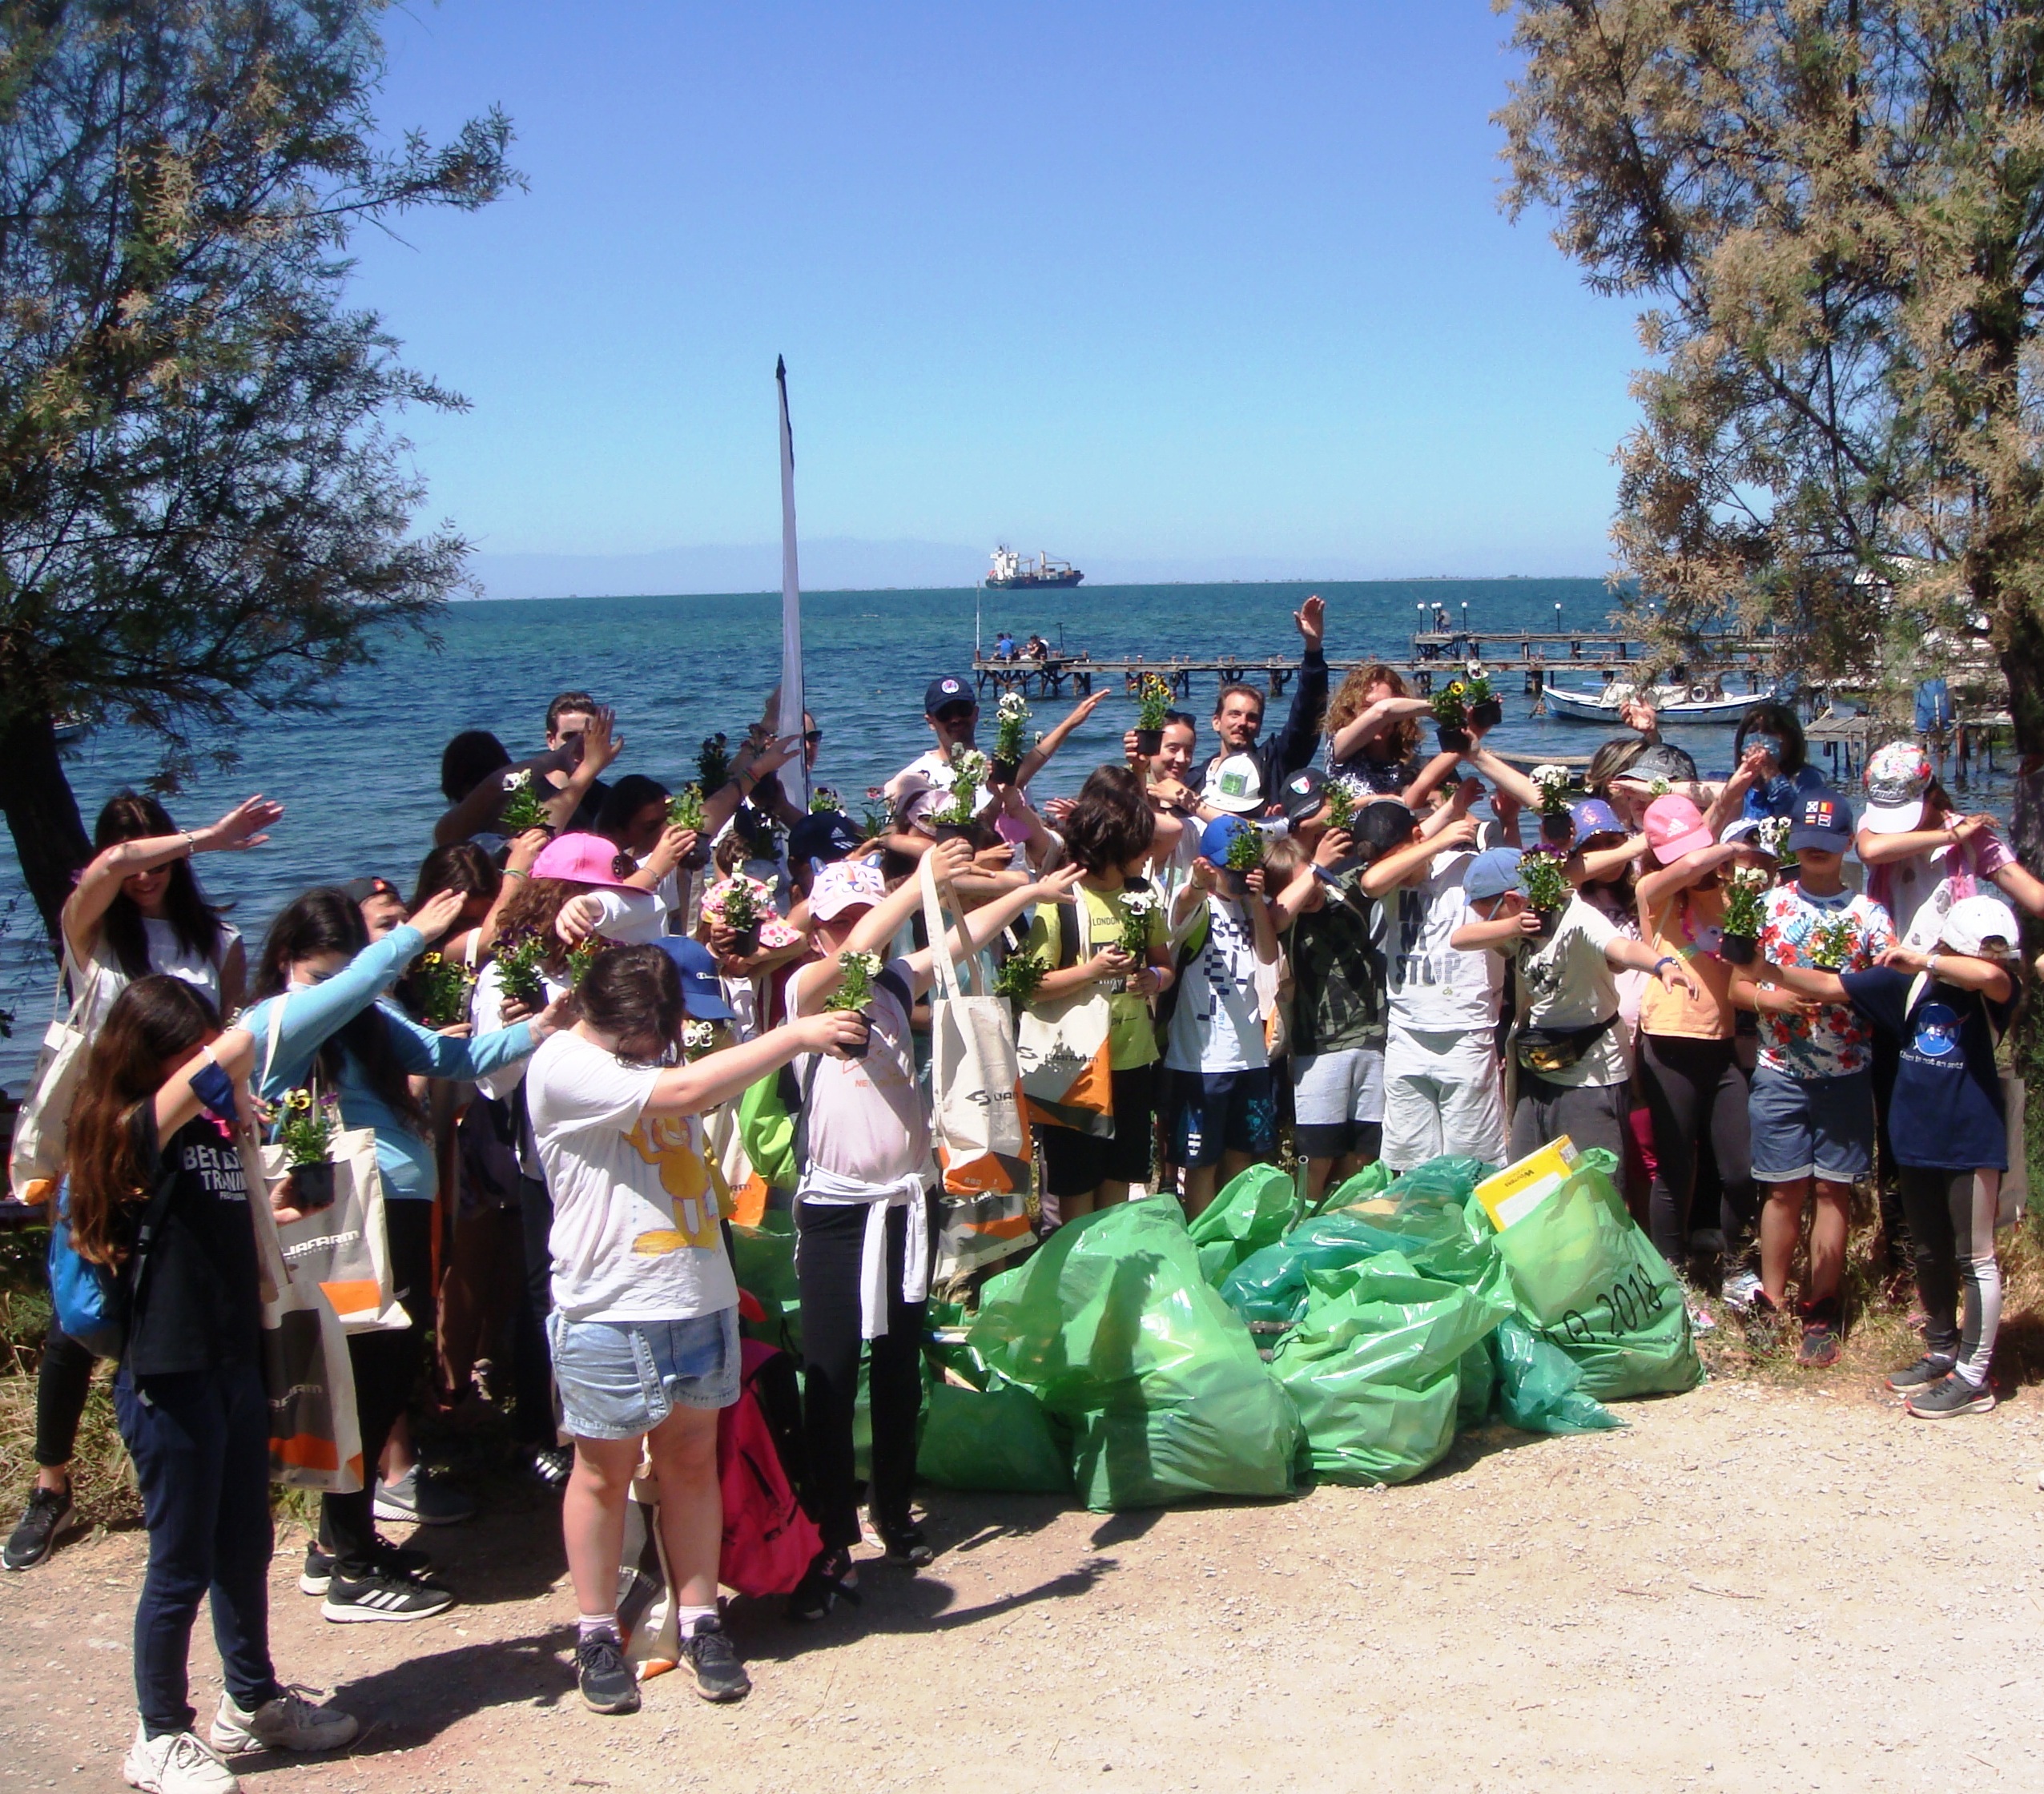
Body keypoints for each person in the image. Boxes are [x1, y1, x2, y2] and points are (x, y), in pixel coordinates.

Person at [525, 945, 868, 1712]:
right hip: (609, 1305)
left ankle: (700, 1616)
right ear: (608, 1020)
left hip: (696, 1293)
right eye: (643, 1039)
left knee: (691, 1463)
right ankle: (593, 1630)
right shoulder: (560, 1064)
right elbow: (682, 1092)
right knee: (602, 1472)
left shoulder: (649, 1066)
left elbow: (698, 1085)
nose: (656, 1050)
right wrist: (795, 1034)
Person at [62, 975, 357, 1792]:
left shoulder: (213, 1128)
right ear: (147, 1055)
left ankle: (253, 1697)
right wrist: (248, 1033)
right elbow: (227, 1055)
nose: (202, 1058)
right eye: (182, 1047)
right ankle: (158, 1733)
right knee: (180, 1558)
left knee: (244, 1543)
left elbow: (227, 1218)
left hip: (232, 1356)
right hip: (168, 1369)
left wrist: (280, 1199)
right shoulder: (126, 1130)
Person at [243, 885, 559, 1620]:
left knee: (385, 1372)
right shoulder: (275, 1022)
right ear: (289, 963)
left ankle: (341, 1544)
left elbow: (455, 1055)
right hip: (344, 1221)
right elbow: (355, 990)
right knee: (360, 1373)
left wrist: (543, 1027)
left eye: (344, 973)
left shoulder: (363, 1016)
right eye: (325, 976)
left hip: (395, 1214)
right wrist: (410, 937)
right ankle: (350, 1565)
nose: (340, 990)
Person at [785, 845, 1084, 1614]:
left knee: (897, 1363)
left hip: (907, 1204)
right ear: (816, 930)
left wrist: (1029, 892)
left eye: (864, 913)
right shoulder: (804, 993)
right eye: (839, 919)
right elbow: (854, 951)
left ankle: (891, 1507)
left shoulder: (891, 984)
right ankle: (827, 1532)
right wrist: (919, 885)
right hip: (838, 1215)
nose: (857, 931)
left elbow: (960, 940)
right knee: (829, 1372)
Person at [6, 790, 280, 1575]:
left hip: (193, 1154)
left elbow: (228, 1040)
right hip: (106, 1142)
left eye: (156, 849)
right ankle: (49, 1484)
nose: (144, 869)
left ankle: (217, 1462)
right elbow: (111, 866)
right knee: (78, 1311)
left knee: (195, 1300)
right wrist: (206, 837)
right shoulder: (92, 934)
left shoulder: (217, 939)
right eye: (133, 853)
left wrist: (243, 1100)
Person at [1752, 896, 2018, 1417]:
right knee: (1928, 1251)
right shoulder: (1910, 986)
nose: (1996, 962)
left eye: (2000, 955)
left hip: (1972, 1140)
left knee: (1974, 1257)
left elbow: (1992, 979)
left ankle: (1973, 1377)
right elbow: (1830, 986)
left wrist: (1926, 959)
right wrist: (1759, 967)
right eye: (1987, 950)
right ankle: (1942, 1349)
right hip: (1916, 1140)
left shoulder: (1995, 991)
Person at [1726, 787, 1894, 1366]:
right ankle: (1771, 1301)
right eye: (1807, 844)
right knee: (1781, 1188)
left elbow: (1886, 988)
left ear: (1848, 845)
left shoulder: (1869, 915)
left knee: (1833, 1189)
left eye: (1827, 845)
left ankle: (1821, 1305)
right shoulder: (1768, 906)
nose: (1816, 853)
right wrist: (1771, 1002)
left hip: (1847, 1071)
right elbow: (1737, 987)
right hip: (1780, 1070)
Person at [1451, 847, 1700, 1163]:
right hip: (1540, 1064)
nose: (1484, 922)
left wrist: (1662, 965)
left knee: (1594, 1181)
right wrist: (1512, 927)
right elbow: (1459, 939)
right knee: (1531, 1174)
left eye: (1487, 912)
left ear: (1513, 899)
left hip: (1591, 1072)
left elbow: (1622, 948)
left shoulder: (1579, 917)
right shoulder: (1520, 924)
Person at [1016, 770, 1177, 1222]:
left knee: (1120, 1177)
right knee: (1076, 1184)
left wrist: (1155, 979)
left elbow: (1165, 964)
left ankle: (1108, 1271)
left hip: (1131, 1060)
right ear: (1116, 848)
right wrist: (1091, 972)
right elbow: (1029, 987)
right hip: (1073, 1067)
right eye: (1141, 845)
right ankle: (1076, 1278)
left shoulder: (1142, 895)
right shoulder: (1061, 899)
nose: (1149, 853)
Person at [1633, 796, 1758, 1311]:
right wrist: (1728, 846)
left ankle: (1737, 1270)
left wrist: (1749, 865)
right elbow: (1684, 867)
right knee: (1676, 1166)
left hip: (1725, 1045)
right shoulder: (1653, 894)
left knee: (1741, 1169)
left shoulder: (1735, 894)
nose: (1695, 864)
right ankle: (1672, 1280)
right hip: (1667, 1042)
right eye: (1681, 853)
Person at [1359, 792, 1506, 1169]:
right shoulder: (1386, 881)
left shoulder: (1468, 867)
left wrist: (1446, 831)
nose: (1393, 867)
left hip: (1466, 1032)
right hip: (1406, 1033)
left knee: (1472, 1162)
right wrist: (1437, 836)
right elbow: (1372, 881)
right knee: (1409, 1160)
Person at [1266, 770, 1390, 1201]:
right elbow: (1276, 916)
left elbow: (1381, 870)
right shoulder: (1287, 921)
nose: (1314, 889)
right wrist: (1313, 870)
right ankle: (1303, 1224)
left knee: (1362, 1153)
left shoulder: (1346, 894)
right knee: (1315, 1157)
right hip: (1316, 1048)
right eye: (1303, 882)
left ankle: (1346, 1223)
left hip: (1372, 1038)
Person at [1165, 815, 1282, 1215]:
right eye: (1227, 869)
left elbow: (1267, 955)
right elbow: (1181, 910)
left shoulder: (1253, 908)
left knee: (1242, 1158)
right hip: (1200, 1060)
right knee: (1201, 1164)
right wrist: (1198, 885)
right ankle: (1201, 1237)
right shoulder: (1198, 904)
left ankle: (1233, 1235)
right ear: (1206, 864)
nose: (1235, 877)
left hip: (1250, 1055)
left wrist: (1255, 901)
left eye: (1243, 868)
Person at [1188, 594, 1329, 817]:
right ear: (1216, 721)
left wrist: (1313, 649)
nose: (1242, 723)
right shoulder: (1194, 780)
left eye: (1251, 717)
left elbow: (1306, 719)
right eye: (1234, 714)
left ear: (1260, 726)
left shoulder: (1275, 764)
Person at [1322, 663, 1433, 798]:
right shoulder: (1340, 749)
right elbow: (1381, 712)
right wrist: (1433, 708)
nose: (1377, 718)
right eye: (1366, 707)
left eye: (1393, 707)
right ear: (1352, 710)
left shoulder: (1406, 766)